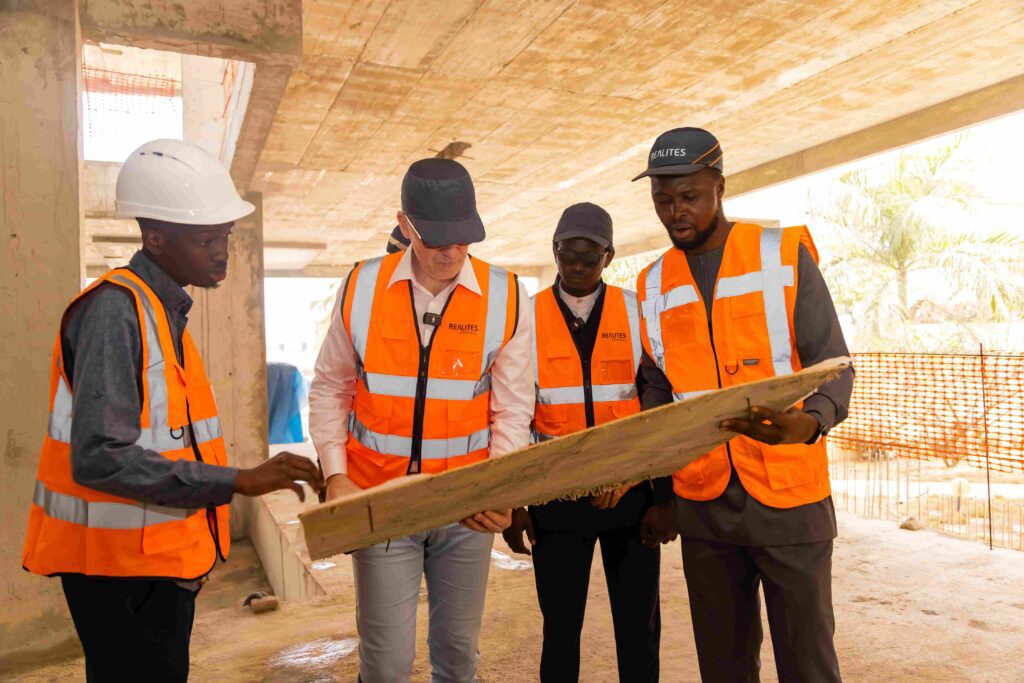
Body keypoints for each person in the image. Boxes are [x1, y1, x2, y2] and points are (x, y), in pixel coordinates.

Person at [21, 139, 324, 682]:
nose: (222, 251)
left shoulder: (162, 312)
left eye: (225, 236)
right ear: (155, 238)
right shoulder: (116, 312)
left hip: (153, 568)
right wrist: (238, 480)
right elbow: (98, 458)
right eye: (206, 238)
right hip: (120, 577)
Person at [632, 127, 854, 682]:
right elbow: (658, 389)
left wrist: (810, 423)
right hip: (704, 503)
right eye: (663, 200)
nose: (675, 213)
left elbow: (835, 365)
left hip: (790, 499)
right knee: (724, 667)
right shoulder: (652, 282)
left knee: (808, 665)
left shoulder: (782, 256)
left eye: (689, 197)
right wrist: (662, 490)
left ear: (719, 187)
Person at [308, 158, 534, 682]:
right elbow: (331, 386)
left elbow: (513, 405)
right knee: (386, 664)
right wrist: (336, 474)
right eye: (435, 239)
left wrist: (501, 486)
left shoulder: (505, 296)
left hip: (466, 505)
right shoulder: (363, 286)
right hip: (381, 498)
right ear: (405, 225)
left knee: (457, 655)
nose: (451, 252)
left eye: (463, 237)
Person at [502, 202, 669, 682]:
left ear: (609, 256)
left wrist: (662, 496)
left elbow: (659, 408)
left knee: (639, 630)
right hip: (555, 501)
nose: (576, 266)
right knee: (560, 632)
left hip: (631, 500)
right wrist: (515, 501)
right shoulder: (525, 318)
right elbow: (512, 416)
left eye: (589, 257)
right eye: (566, 254)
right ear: (553, 252)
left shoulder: (636, 313)